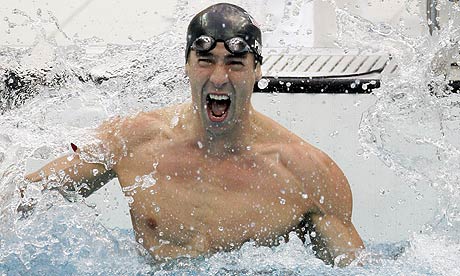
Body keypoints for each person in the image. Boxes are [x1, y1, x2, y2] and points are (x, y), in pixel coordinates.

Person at [24, 3, 364, 267]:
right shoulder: (133, 141)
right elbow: (28, 197)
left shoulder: (307, 175)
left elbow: (358, 269)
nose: (218, 78)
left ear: (258, 69)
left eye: (234, 63)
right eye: (205, 61)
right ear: (187, 65)